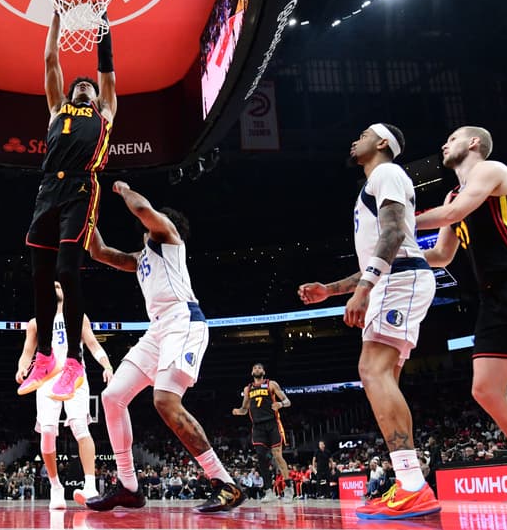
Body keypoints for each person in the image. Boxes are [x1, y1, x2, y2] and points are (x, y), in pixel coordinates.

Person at [417, 125, 507, 516]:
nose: (444, 143)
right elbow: (442, 256)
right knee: (486, 389)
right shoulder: (452, 194)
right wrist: (395, 253)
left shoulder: (490, 170)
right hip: (494, 296)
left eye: (452, 138)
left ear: (474, 143)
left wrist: (397, 222)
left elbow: (454, 214)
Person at [298, 124, 441, 520]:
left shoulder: (387, 172)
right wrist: (331, 290)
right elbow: (376, 257)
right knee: (384, 377)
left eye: (363, 134)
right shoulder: (375, 182)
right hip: (393, 280)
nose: (353, 140)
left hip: (399, 280)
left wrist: (363, 291)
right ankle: (409, 481)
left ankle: (414, 486)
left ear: (381, 143)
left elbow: (394, 235)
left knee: (372, 370)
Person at [85, 181, 245, 514]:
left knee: (165, 400)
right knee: (112, 397)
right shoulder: (141, 258)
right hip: (158, 329)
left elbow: (142, 209)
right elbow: (99, 252)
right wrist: (86, 214)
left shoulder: (169, 239)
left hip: (182, 321)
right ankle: (128, 486)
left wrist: (123, 189)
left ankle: (225, 484)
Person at [19, 8, 117, 402]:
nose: (84, 87)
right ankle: (45, 356)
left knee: (65, 269)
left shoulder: (105, 112)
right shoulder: (57, 109)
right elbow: (50, 59)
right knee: (40, 275)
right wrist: (57, 14)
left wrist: (102, 22)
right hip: (48, 190)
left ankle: (74, 360)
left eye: (89, 86)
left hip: (81, 188)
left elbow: (106, 70)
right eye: (80, 85)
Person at [16, 281, 113, 509]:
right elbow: (27, 353)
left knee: (80, 427)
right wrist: (21, 368)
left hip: (75, 376)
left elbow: (93, 344)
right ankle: (56, 486)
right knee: (48, 431)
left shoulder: (78, 316)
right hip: (47, 378)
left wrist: (107, 365)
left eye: (58, 285)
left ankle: (90, 486)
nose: (54, 287)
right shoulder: (35, 323)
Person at [231, 362, 294, 503]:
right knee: (261, 457)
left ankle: (289, 488)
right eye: (254, 368)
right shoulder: (248, 389)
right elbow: (244, 409)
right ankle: (269, 491)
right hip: (258, 427)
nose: (257, 369)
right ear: (251, 372)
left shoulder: (271, 384)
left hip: (272, 424)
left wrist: (280, 404)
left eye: (259, 367)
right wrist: (238, 411)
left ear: (263, 372)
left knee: (277, 456)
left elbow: (287, 401)